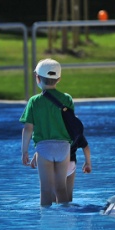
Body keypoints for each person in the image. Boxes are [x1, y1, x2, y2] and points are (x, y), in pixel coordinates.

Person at [20, 58, 78, 207]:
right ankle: (66, 218)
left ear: (37, 78)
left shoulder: (34, 101)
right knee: (61, 188)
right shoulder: (67, 99)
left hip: (44, 148)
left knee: (46, 190)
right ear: (58, 79)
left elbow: (28, 128)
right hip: (64, 148)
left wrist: (24, 151)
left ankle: (46, 223)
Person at [30, 134, 92, 202]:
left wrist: (36, 156)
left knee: (52, 195)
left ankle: (53, 211)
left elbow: (47, 145)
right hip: (70, 164)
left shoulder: (57, 129)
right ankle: (68, 210)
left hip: (56, 163)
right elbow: (85, 147)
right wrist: (88, 163)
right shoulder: (75, 129)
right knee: (67, 196)